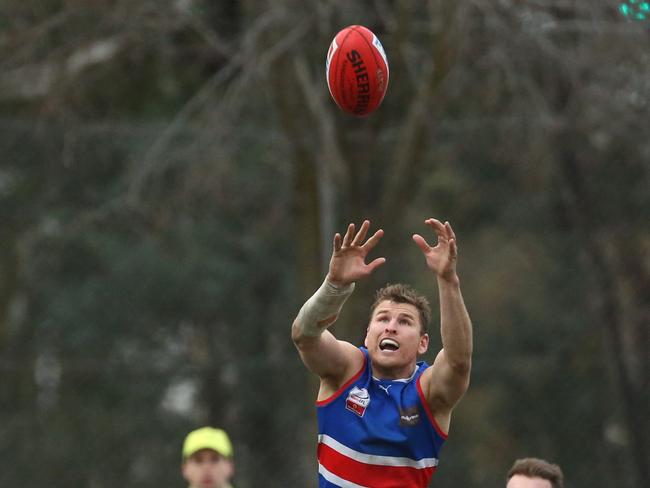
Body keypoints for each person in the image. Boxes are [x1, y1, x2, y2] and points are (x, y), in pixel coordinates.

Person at [292, 218, 473, 487]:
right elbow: (304, 336)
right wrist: (334, 286)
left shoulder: (428, 390)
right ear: (367, 334)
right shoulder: (348, 369)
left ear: (423, 343)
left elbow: (458, 362)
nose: (391, 327)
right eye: (383, 319)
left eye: (404, 321)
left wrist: (448, 281)